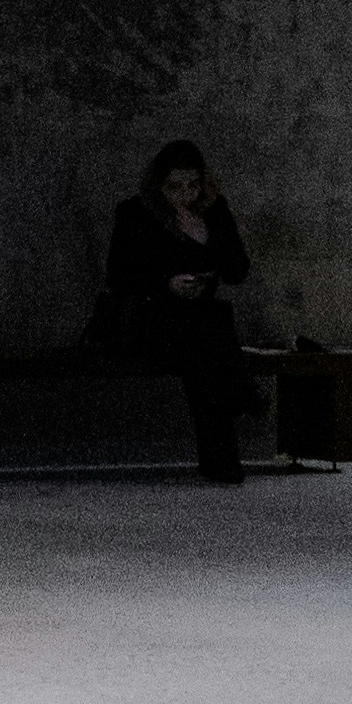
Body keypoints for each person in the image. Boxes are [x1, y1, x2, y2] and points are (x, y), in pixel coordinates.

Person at [102, 139, 255, 484]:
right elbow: (119, 276)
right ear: (159, 184)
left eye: (192, 185)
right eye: (174, 186)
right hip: (153, 316)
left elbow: (238, 270)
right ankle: (242, 404)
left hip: (200, 319)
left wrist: (208, 272)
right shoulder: (137, 214)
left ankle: (222, 459)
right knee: (208, 340)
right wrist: (166, 283)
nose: (184, 194)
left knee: (207, 343)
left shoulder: (214, 212)